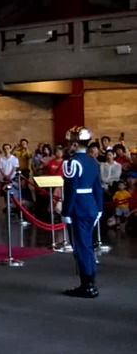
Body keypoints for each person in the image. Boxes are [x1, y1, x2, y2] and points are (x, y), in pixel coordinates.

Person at [61, 126, 103, 298]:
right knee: (88, 245)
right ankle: (90, 282)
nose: (68, 145)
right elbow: (98, 187)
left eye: (70, 142)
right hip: (91, 206)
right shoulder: (92, 161)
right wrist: (99, 208)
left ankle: (87, 286)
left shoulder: (72, 163)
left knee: (81, 247)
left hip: (78, 208)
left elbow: (71, 190)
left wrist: (66, 212)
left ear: (75, 144)